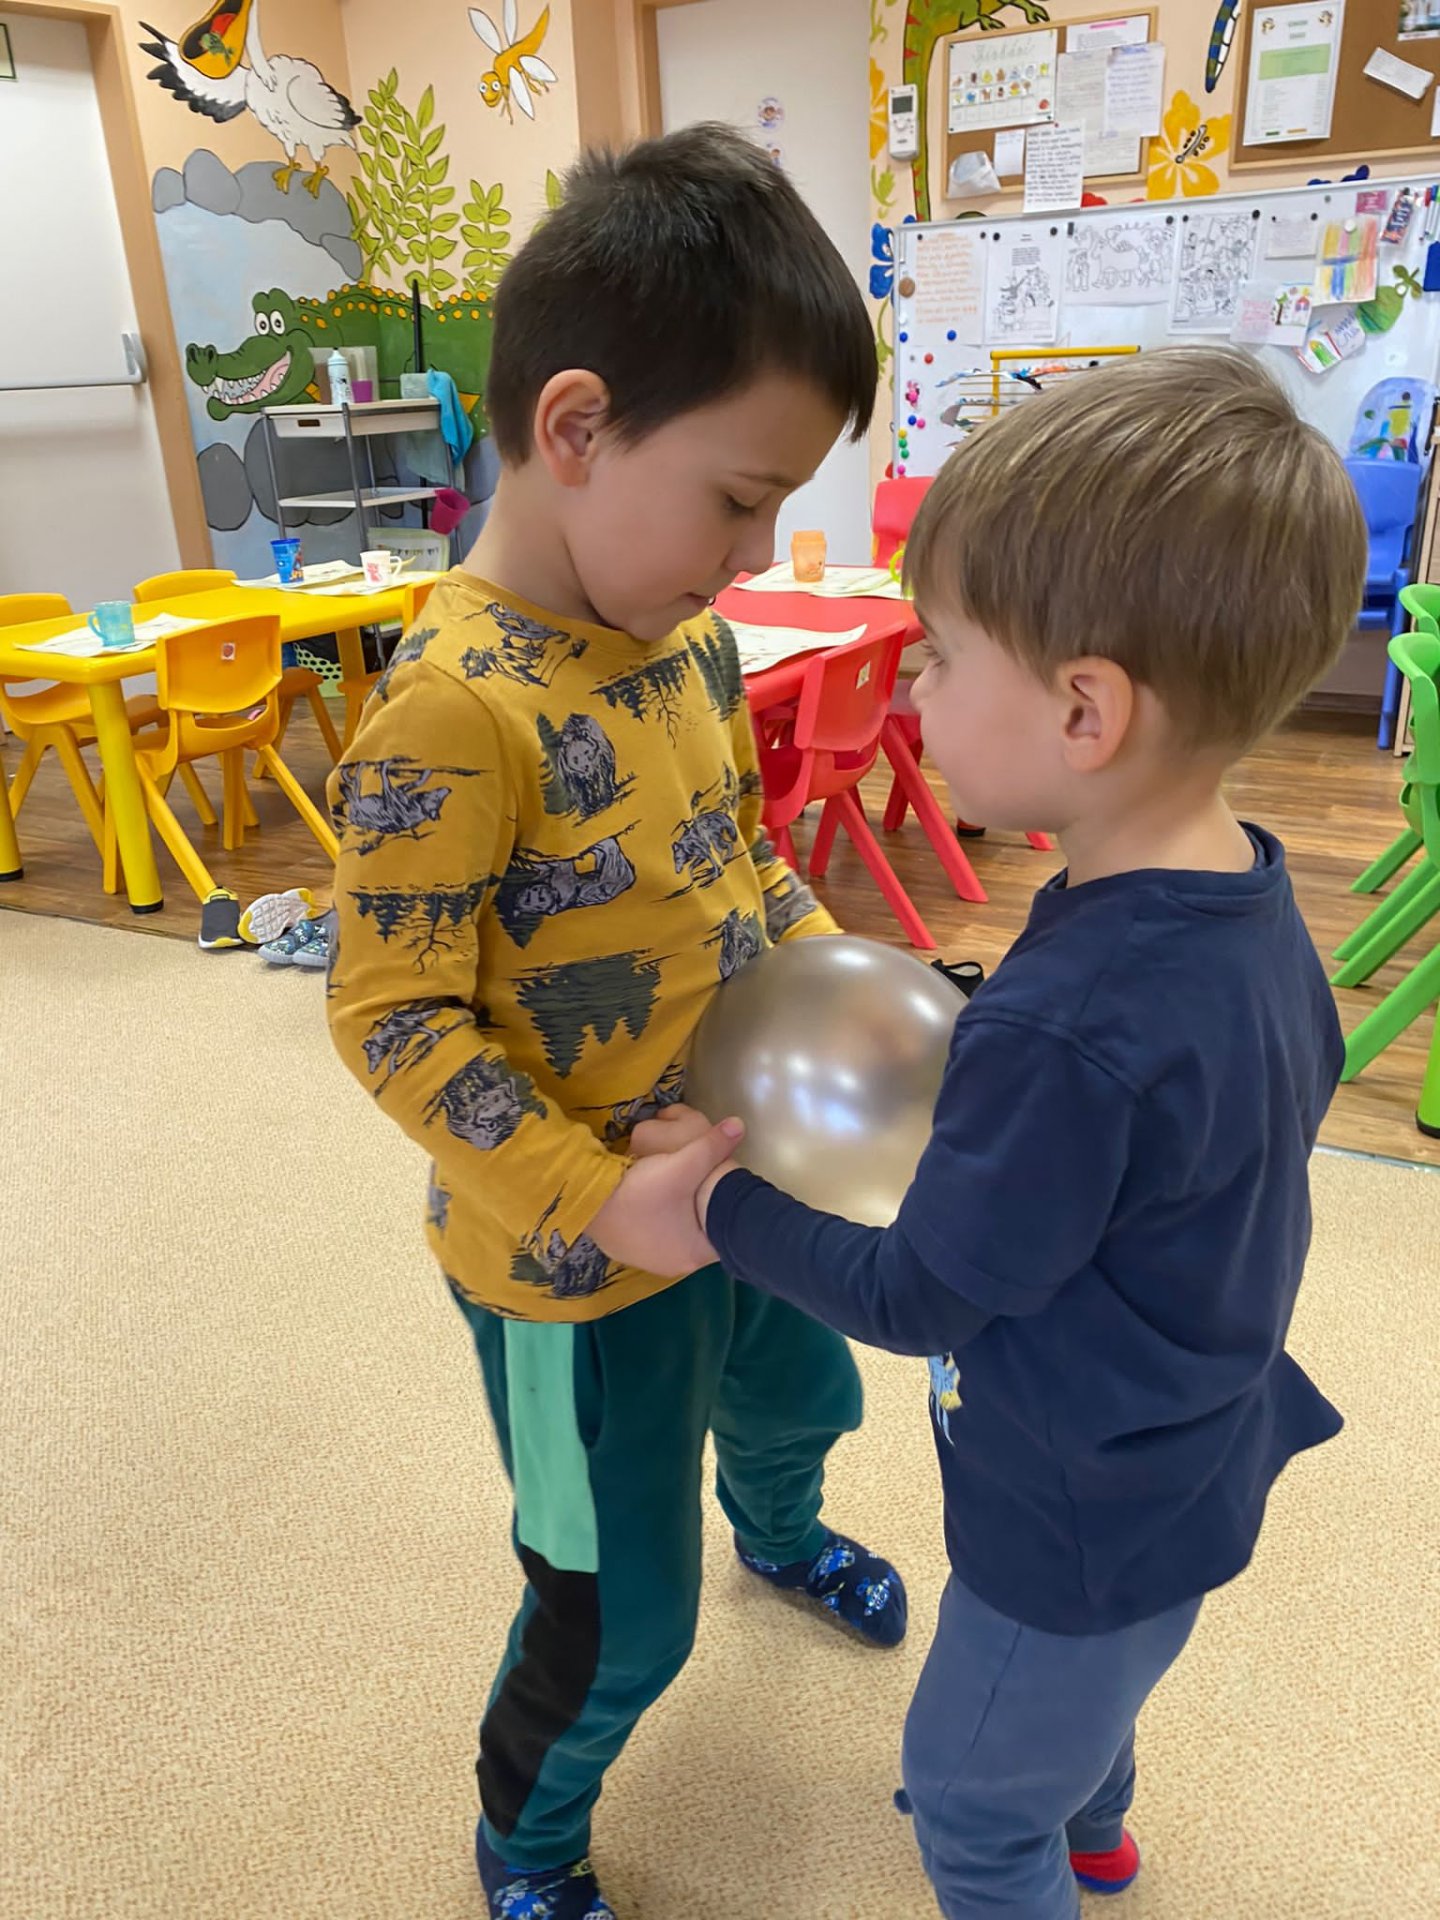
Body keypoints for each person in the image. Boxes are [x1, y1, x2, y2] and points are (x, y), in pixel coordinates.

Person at [590, 348, 1366, 1918]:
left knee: (970, 1799)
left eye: (940, 656)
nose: (914, 691)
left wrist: (719, 1203)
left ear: (1085, 709)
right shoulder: (1251, 894)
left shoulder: (1067, 1024)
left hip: (1070, 1512)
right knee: (1098, 1701)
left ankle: (1042, 1846)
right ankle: (1097, 1832)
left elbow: (920, 1293)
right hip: (1192, 1444)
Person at [324, 124, 906, 1920]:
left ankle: (781, 1537)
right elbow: (390, 1019)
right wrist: (598, 1199)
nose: (760, 547)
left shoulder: (693, 649)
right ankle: (527, 1834)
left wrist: (871, 1004)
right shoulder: (451, 710)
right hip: (570, 1270)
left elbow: (746, 866)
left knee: (804, 1399)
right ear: (575, 427)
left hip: (743, 1176)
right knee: (615, 1609)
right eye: (740, 498)